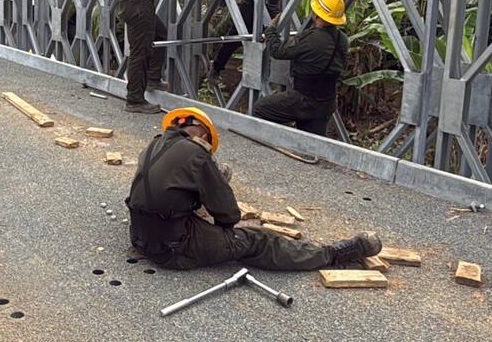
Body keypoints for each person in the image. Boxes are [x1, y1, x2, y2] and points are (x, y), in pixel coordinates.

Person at [126, 106, 381, 270]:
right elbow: (229, 217)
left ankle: (211, 188)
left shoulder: (154, 145)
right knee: (257, 240)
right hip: (173, 249)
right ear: (203, 136)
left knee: (180, 203)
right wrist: (217, 200)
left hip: (139, 236)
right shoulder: (196, 153)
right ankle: (332, 255)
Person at [253, 0, 349, 136]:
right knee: (311, 143)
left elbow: (278, 51)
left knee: (261, 109)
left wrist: (271, 30)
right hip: (326, 102)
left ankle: (272, 150)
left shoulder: (311, 39)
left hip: (304, 100)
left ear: (316, 14)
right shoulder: (342, 39)